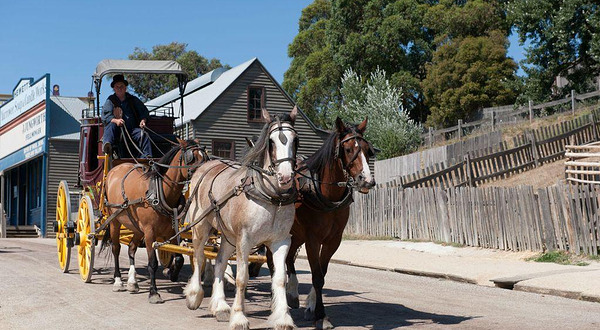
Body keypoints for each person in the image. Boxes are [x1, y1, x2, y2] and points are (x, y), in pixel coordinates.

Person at [101, 74, 153, 158]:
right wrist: (116, 121)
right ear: (114, 89)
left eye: (121, 86)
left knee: (144, 134)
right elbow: (105, 116)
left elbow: (143, 111)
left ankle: (146, 157)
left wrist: (143, 120)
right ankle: (107, 146)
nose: (119, 88)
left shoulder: (133, 99)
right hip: (117, 131)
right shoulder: (110, 100)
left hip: (132, 130)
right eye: (117, 86)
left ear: (125, 88)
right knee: (110, 125)